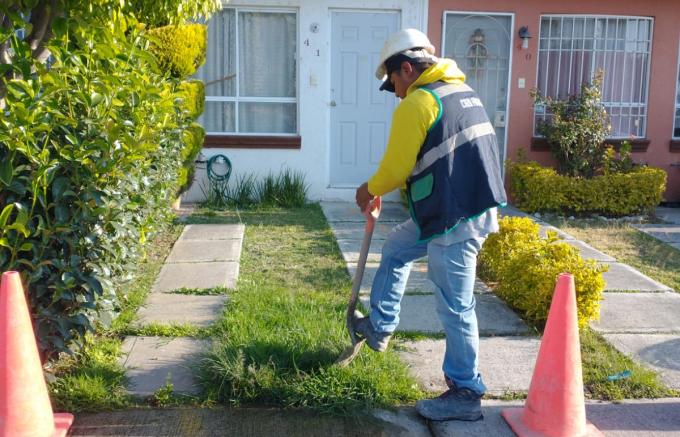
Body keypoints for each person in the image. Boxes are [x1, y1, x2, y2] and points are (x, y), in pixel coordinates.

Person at [353, 28, 507, 422]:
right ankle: (381, 326)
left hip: (456, 218)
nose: (396, 94)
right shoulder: (461, 92)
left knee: (455, 306)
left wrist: (368, 189)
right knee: (396, 248)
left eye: (393, 85)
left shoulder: (419, 101)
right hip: (451, 208)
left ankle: (466, 390)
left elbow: (396, 167)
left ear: (406, 68)